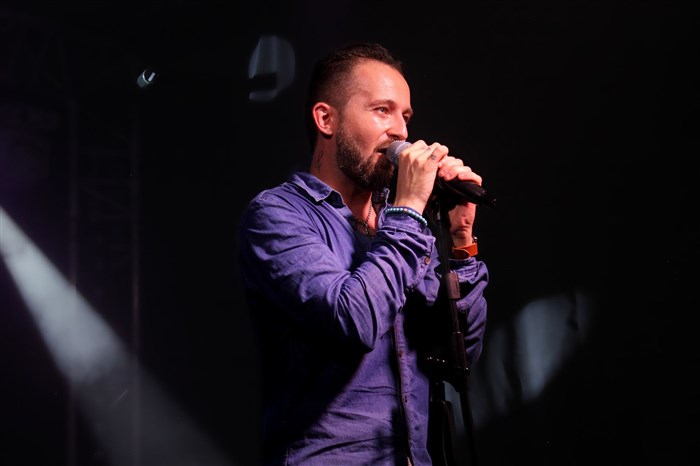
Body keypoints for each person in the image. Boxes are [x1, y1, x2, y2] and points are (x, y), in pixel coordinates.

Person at [237, 42, 489, 466]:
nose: (401, 132)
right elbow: (354, 319)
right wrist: (409, 210)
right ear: (326, 119)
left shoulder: (401, 224)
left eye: (405, 116)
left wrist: (461, 241)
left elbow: (456, 357)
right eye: (382, 110)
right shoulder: (277, 215)